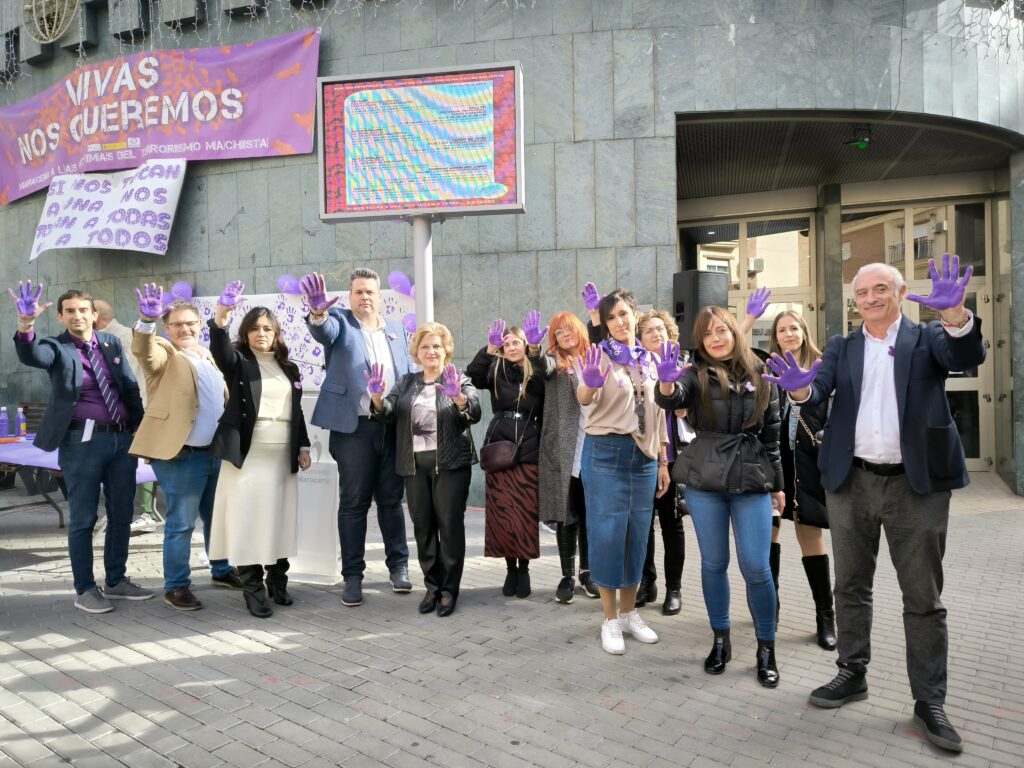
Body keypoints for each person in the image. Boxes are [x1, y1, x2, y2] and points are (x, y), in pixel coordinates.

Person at [765, 255, 984, 752]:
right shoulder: (843, 347)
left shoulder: (926, 339)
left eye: (880, 289)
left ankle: (930, 700)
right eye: (862, 293)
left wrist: (955, 317)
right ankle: (851, 671)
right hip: (852, 482)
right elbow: (815, 392)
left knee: (923, 598)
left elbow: (967, 354)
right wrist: (800, 393)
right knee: (850, 585)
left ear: (901, 293)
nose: (870, 299)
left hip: (916, 486)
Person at [655, 306, 784, 687]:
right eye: (708, 333)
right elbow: (673, 397)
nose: (715, 338)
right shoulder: (695, 376)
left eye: (722, 330)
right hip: (705, 477)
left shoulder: (762, 373)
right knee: (714, 563)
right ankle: (720, 639)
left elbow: (772, 435)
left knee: (757, 567)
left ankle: (766, 647)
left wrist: (777, 486)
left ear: (735, 332)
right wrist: (664, 385)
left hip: (751, 477)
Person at [11, 281, 151, 613]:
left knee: (122, 512)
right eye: (70, 311)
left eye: (83, 310)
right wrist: (26, 324)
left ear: (94, 314)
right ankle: (85, 589)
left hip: (121, 440)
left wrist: (141, 432)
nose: (78, 316)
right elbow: (31, 354)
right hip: (81, 442)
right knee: (84, 517)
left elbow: (129, 390)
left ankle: (115, 580)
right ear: (60, 316)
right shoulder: (55, 348)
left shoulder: (111, 342)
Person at [128, 284, 244, 611]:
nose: (185, 329)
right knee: (181, 523)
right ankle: (176, 586)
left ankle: (221, 569)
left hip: (213, 453)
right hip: (182, 457)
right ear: (167, 328)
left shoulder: (206, 355)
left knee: (216, 517)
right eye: (177, 324)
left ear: (198, 324)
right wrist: (147, 321)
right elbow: (145, 352)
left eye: (190, 323)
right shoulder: (166, 353)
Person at [301, 270, 414, 607]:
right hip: (354, 429)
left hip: (391, 426)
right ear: (350, 296)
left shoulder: (395, 330)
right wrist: (318, 312)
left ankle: (399, 567)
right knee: (354, 504)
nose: (365, 297)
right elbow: (323, 331)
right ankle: (353, 576)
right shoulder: (340, 322)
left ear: (380, 296)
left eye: (371, 292)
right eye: (359, 291)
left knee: (392, 502)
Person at [740, 289, 836, 650]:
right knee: (770, 536)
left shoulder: (822, 367)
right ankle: (771, 611)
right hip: (773, 465)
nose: (789, 334)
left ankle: (825, 617)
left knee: (811, 537)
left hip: (810, 466)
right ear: (775, 337)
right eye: (782, 330)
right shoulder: (766, 369)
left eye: (794, 328)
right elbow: (733, 349)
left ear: (804, 331)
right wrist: (747, 318)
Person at [207, 291, 312, 618]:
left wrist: (304, 445)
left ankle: (277, 582)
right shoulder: (238, 362)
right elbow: (220, 350)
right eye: (255, 328)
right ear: (246, 333)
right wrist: (222, 312)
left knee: (279, 518)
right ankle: (253, 590)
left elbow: (296, 411)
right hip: (248, 456)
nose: (262, 333)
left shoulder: (289, 368)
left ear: (276, 332)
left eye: (268, 328)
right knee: (249, 521)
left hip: (282, 456)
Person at [365, 322, 481, 617]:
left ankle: (449, 590)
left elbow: (474, 412)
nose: (431, 351)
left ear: (446, 351)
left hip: (451, 465)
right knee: (423, 527)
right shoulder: (406, 383)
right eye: (426, 346)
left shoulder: (460, 378)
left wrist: (458, 398)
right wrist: (377, 397)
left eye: (437, 346)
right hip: (414, 466)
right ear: (417, 352)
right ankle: (432, 585)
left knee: (450, 527)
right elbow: (388, 414)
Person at [577, 289, 669, 655]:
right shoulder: (598, 355)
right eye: (611, 316)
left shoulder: (649, 358)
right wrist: (588, 385)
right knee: (608, 536)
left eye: (624, 314)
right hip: (606, 453)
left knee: (637, 537)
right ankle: (610, 619)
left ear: (635, 315)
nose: (619, 322)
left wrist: (663, 460)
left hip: (643, 458)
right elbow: (584, 397)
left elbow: (659, 412)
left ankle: (631, 613)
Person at [467, 315, 546, 599]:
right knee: (502, 513)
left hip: (528, 446)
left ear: (525, 344)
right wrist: (489, 349)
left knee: (524, 513)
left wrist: (536, 351)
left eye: (517, 342)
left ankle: (523, 569)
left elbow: (543, 377)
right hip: (499, 445)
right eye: (507, 343)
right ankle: (509, 568)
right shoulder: (496, 370)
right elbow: (473, 374)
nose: (512, 347)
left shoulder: (534, 369)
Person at [537, 311, 596, 603]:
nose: (565, 335)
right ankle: (567, 576)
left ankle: (588, 573)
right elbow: (541, 367)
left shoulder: (594, 356)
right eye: (559, 332)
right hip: (565, 447)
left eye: (569, 329)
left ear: (579, 330)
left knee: (589, 515)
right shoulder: (554, 361)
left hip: (596, 443)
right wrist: (535, 349)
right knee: (566, 513)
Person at [635, 310, 687, 616]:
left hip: (673, 457)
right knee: (644, 525)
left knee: (671, 523)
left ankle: (674, 589)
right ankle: (647, 582)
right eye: (649, 331)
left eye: (660, 329)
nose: (656, 334)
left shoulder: (683, 369)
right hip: (643, 453)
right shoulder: (637, 369)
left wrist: (685, 410)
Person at [94, 299, 158, 534]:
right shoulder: (102, 337)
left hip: (134, 410)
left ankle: (147, 513)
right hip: (115, 413)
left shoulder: (120, 337)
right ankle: (119, 511)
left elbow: (126, 379)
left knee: (141, 460)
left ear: (97, 317)